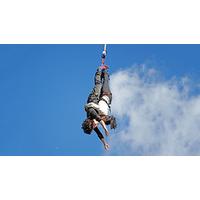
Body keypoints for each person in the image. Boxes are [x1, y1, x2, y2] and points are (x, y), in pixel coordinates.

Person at [82, 66, 117, 150]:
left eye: (94, 126)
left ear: (91, 122)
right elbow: (99, 134)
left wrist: (105, 129)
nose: (95, 127)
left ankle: (99, 69)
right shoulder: (93, 124)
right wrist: (104, 143)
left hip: (93, 98)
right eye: (94, 128)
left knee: (98, 83)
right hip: (100, 99)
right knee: (103, 84)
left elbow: (100, 120)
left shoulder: (91, 113)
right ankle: (104, 73)